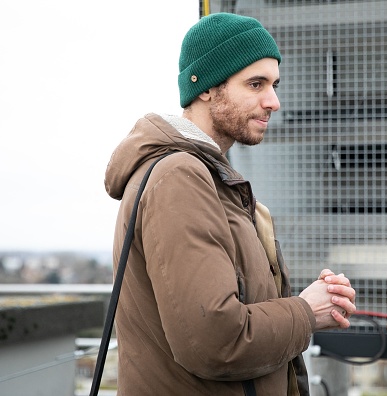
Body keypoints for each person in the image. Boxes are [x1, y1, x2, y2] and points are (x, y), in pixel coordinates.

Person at [104, 12, 356, 395]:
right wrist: (306, 313)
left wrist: (311, 301)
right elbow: (214, 341)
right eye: (255, 84)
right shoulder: (179, 178)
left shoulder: (211, 178)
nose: (273, 101)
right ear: (205, 87)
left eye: (274, 84)